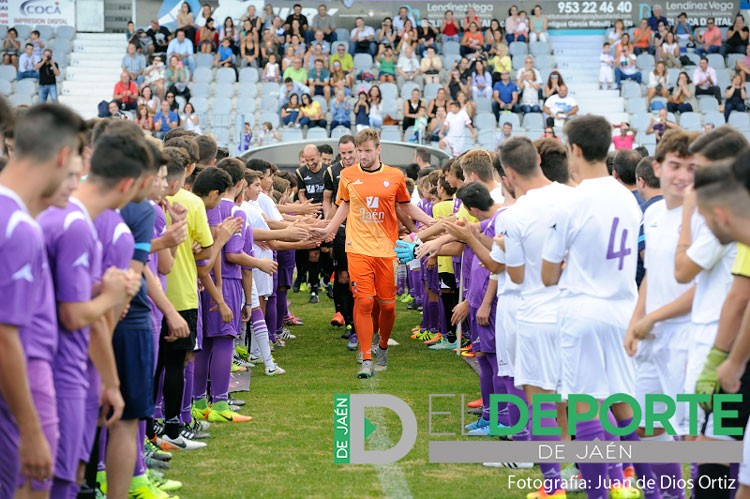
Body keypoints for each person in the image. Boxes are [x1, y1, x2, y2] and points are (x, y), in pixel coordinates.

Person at [541, 115, 649, 499]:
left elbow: (549, 273)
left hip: (583, 310)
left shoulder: (573, 200)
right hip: (623, 310)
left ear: (577, 150)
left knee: (585, 405)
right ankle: (649, 488)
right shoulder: (628, 197)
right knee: (624, 403)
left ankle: (598, 493)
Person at [0, 102, 86, 498]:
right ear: (64, 155)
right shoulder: (17, 225)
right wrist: (32, 429)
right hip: (21, 393)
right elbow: (5, 336)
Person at [315, 129, 433, 378]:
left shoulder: (395, 175)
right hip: (357, 247)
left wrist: (430, 222)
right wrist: (329, 229)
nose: (363, 155)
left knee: (388, 306)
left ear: (378, 150)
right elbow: (344, 205)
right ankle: (366, 355)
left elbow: (405, 205)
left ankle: (382, 347)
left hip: (386, 251)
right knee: (365, 301)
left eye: (368, 150)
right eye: (360, 151)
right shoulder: (347, 176)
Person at [494, 137, 572, 498]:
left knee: (541, 402)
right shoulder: (574, 197)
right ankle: (587, 472)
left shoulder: (514, 215)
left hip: (536, 315)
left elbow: (518, 274)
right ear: (538, 159)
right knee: (574, 400)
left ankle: (553, 483)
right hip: (574, 313)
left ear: (509, 175)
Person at [624, 130, 699, 498]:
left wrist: (652, 318)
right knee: (646, 425)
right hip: (652, 339)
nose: (682, 175)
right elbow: (653, 272)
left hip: (690, 337)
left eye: (691, 167)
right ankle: (669, 494)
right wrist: (636, 319)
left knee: (693, 433)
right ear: (657, 167)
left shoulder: (704, 216)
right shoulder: (652, 213)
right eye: (674, 165)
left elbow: (705, 288)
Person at [322, 135, 357, 335]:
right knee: (343, 275)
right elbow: (328, 199)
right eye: (343, 153)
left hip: (363, 230)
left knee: (357, 277)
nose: (347, 157)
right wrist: (330, 222)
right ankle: (349, 320)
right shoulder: (332, 171)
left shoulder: (366, 170)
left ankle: (363, 321)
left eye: (350, 152)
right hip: (341, 229)